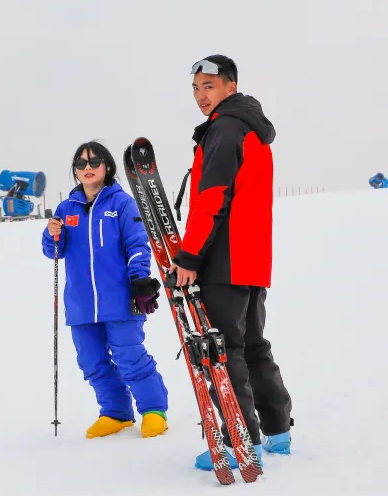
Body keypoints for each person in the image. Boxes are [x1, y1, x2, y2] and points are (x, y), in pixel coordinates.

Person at [169, 55, 293, 471]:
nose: (201, 96)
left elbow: (213, 197)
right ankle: (278, 430)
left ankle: (241, 442)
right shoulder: (251, 127)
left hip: (225, 259)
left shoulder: (224, 129)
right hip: (253, 260)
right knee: (253, 344)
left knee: (225, 352)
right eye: (196, 88)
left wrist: (190, 256)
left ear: (230, 86)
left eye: (209, 86)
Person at [42, 142, 168, 439]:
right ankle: (116, 412)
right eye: (81, 164)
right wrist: (51, 234)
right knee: (91, 361)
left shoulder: (122, 203)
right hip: (81, 303)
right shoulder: (66, 209)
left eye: (94, 162)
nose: (87, 168)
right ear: (75, 171)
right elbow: (54, 252)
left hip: (119, 299)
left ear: (107, 166)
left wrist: (140, 280)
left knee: (129, 355)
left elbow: (137, 243)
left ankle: (154, 410)